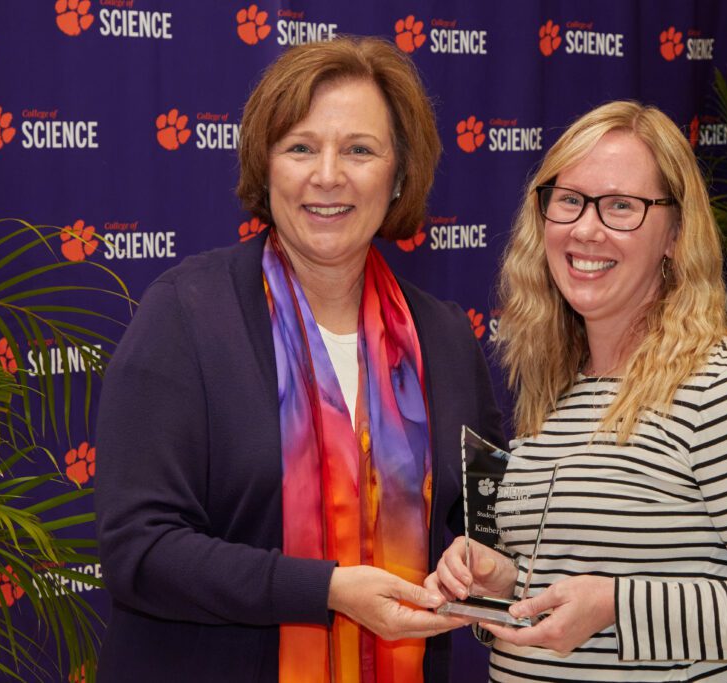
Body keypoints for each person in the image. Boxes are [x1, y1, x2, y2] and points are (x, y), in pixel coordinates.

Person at [95, 37, 502, 683]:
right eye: (301, 147)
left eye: (360, 150)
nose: (328, 174)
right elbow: (138, 551)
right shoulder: (185, 316)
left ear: (398, 177)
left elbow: (487, 519)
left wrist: (483, 561)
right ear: (267, 166)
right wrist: (326, 589)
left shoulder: (445, 337)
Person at [426, 101, 727, 681]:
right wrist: (505, 579)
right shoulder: (562, 388)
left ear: (676, 234)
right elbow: (587, 572)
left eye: (621, 206)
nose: (585, 228)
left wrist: (617, 605)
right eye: (569, 200)